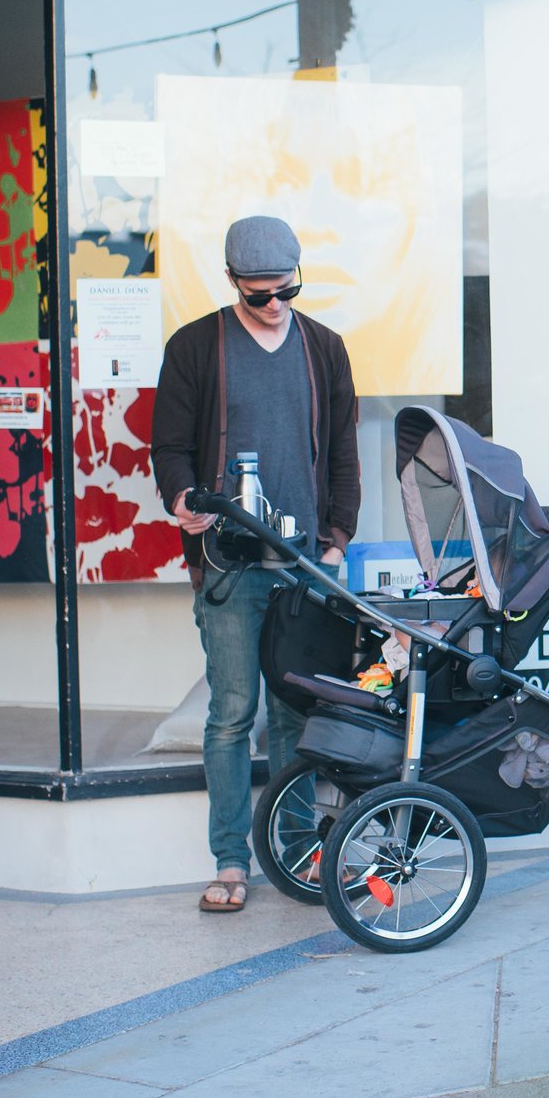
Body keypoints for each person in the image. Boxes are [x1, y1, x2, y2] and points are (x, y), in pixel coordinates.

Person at [150, 216, 360, 914]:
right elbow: (170, 446)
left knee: (299, 712)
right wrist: (182, 498)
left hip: (307, 563)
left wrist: (337, 537)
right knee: (233, 714)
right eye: (257, 293)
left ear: (298, 275)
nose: (272, 304)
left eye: (283, 291)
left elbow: (343, 453)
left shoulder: (324, 349)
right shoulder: (195, 347)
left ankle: (297, 848)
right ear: (233, 282)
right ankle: (232, 860)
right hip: (230, 562)